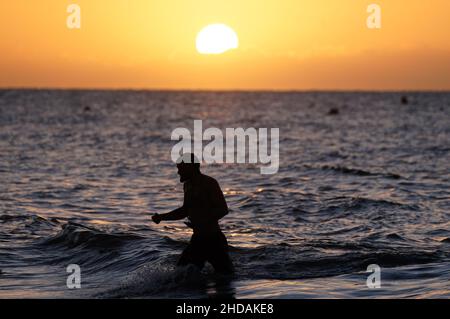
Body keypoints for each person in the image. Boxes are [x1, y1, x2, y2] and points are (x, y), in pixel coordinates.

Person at [152, 153, 234, 274]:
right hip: (197, 240)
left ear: (190, 167)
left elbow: (223, 209)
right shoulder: (187, 185)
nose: (178, 172)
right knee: (181, 274)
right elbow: (185, 210)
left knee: (225, 280)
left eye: (180, 169)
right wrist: (162, 217)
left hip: (214, 240)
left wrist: (203, 221)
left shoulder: (209, 183)